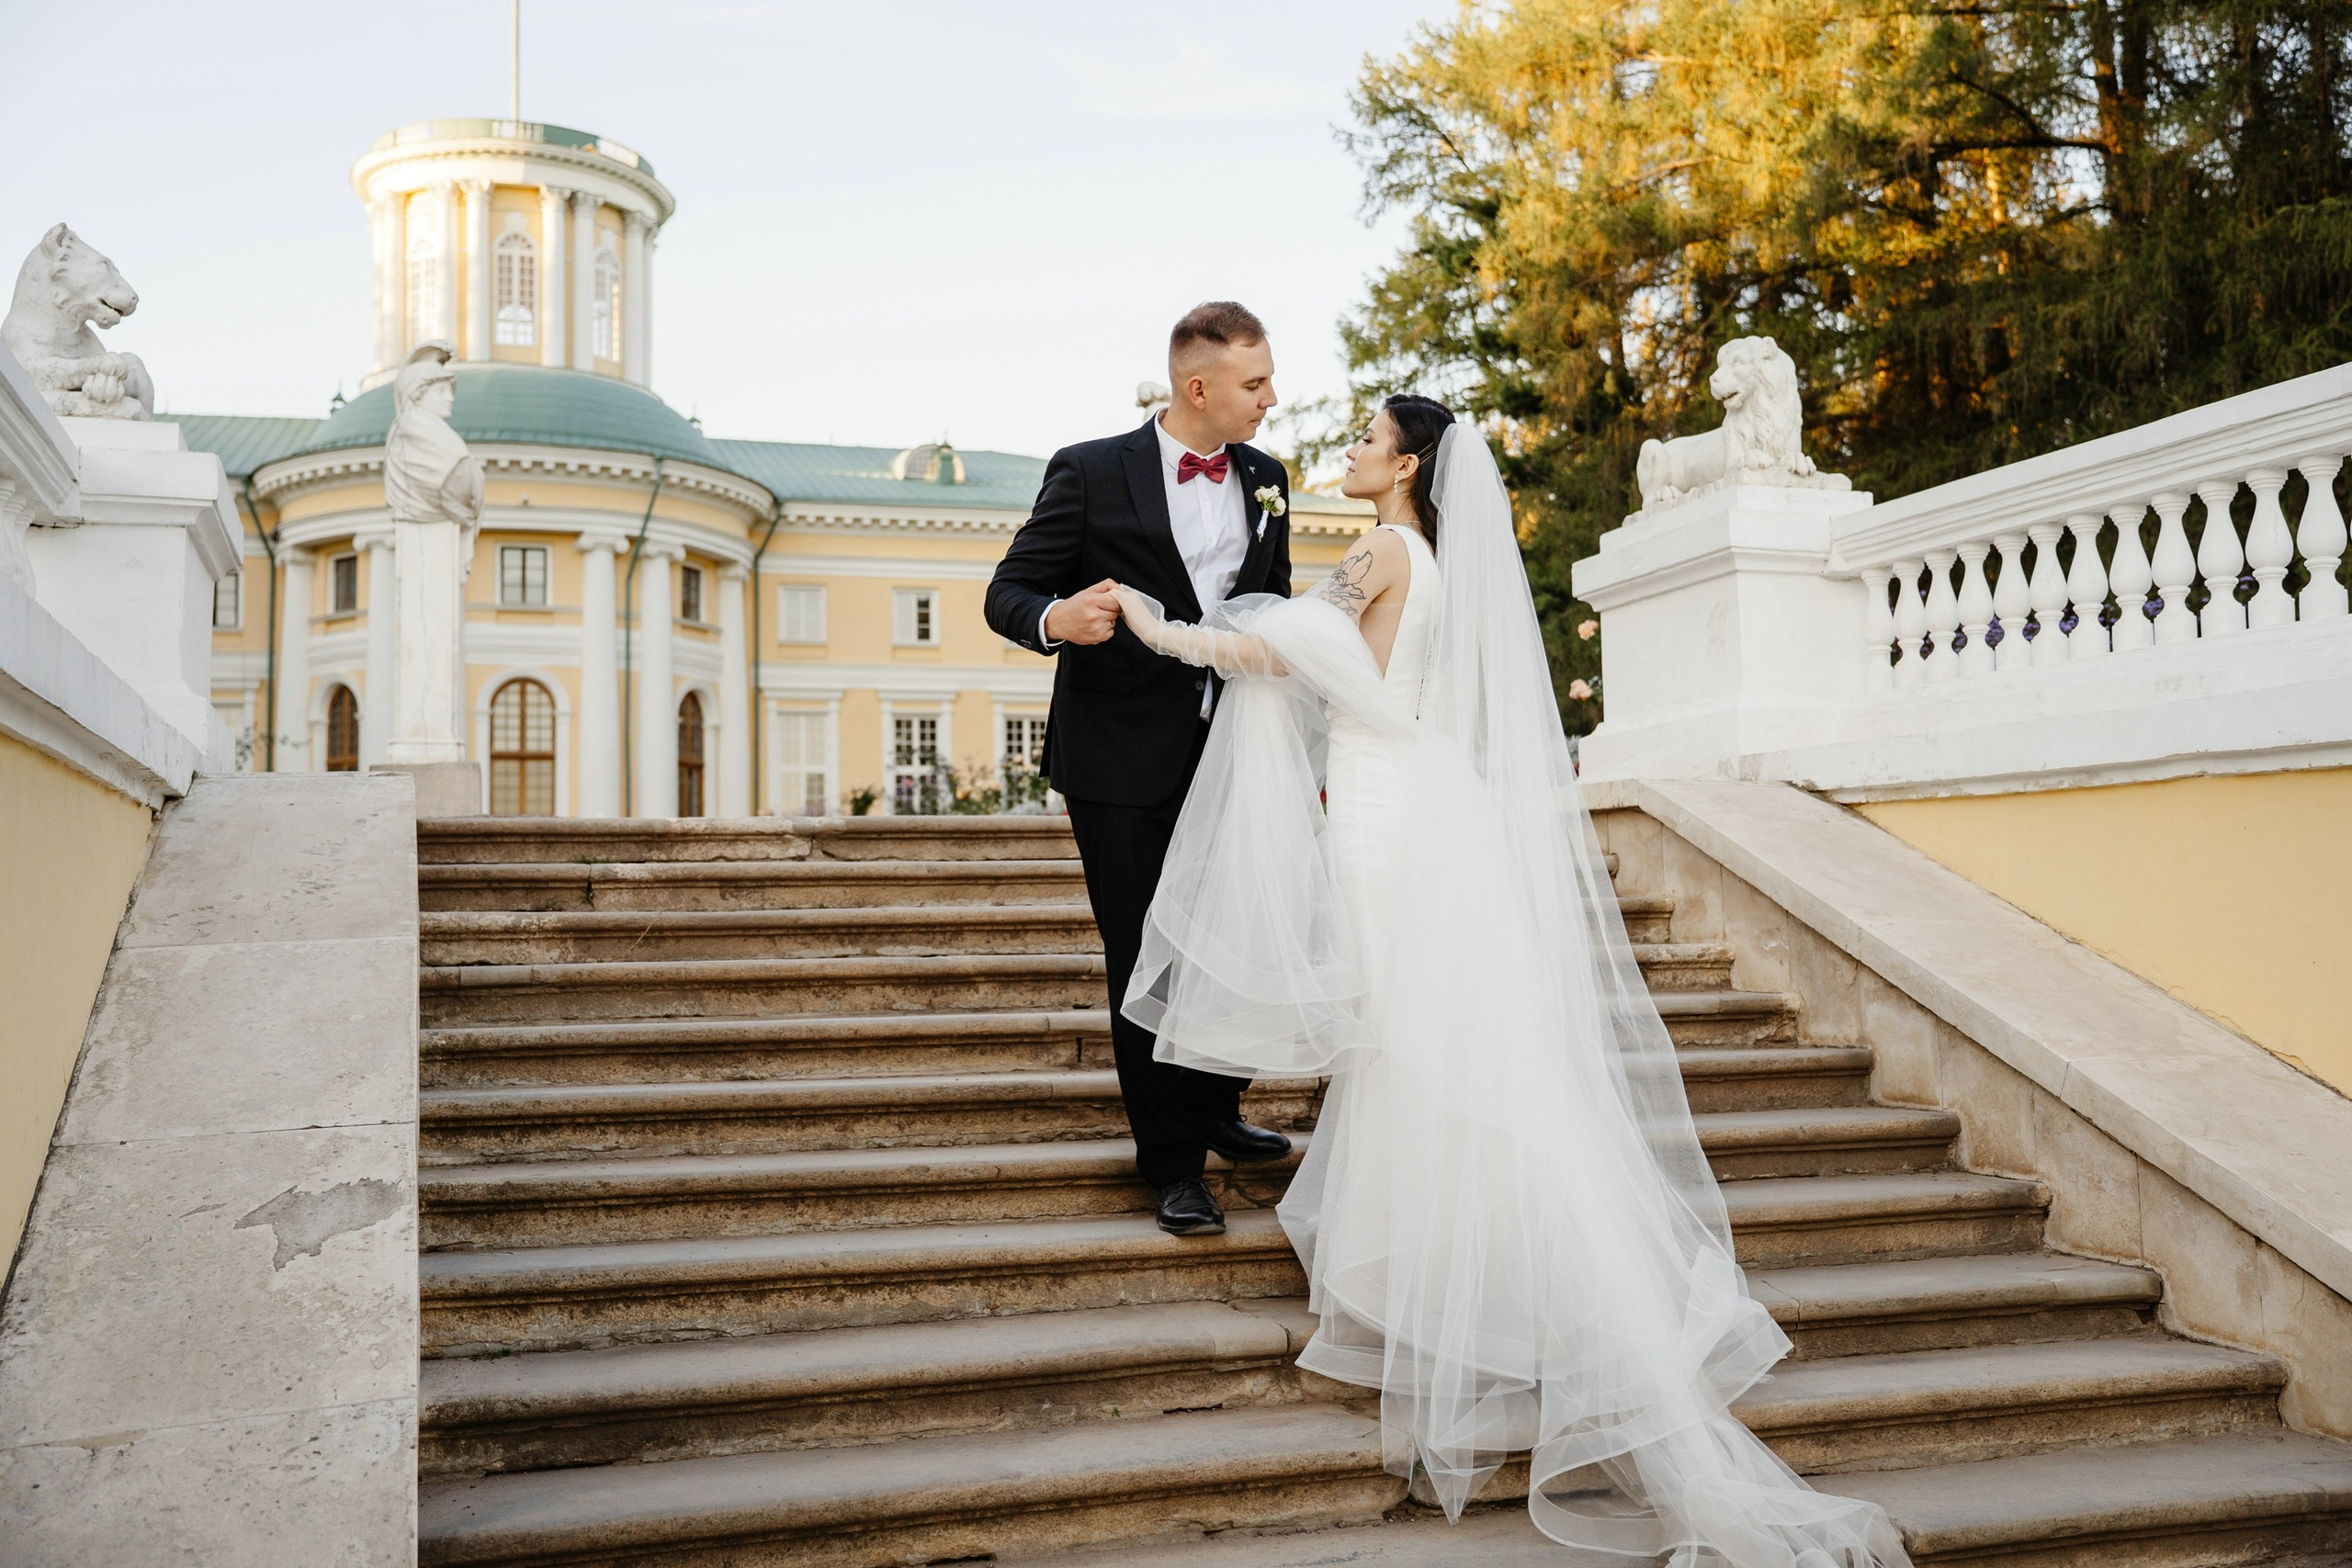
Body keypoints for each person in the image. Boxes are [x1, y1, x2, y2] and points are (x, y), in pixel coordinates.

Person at [1108, 398, 1913, 1566]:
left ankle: (1464, 1285)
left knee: (1408, 1039)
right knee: (1429, 1039)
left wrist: (1154, 625)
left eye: (1366, 438)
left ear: (1407, 465)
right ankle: (1461, 1271)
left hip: (1382, 813)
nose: (1349, 450)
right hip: (1418, 794)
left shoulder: (1384, 552)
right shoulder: (1427, 561)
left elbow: (1269, 652)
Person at [983, 301, 1299, 1237]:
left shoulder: (1268, 479)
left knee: (1226, 941)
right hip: (1117, 761)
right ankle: (1171, 1164)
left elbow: (1268, 605)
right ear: (1198, 387)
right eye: (1254, 383)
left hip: (1231, 751)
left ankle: (1213, 1106)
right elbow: (1008, 591)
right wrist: (1056, 619)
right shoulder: (1088, 471)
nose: (1270, 400)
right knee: (1145, 957)